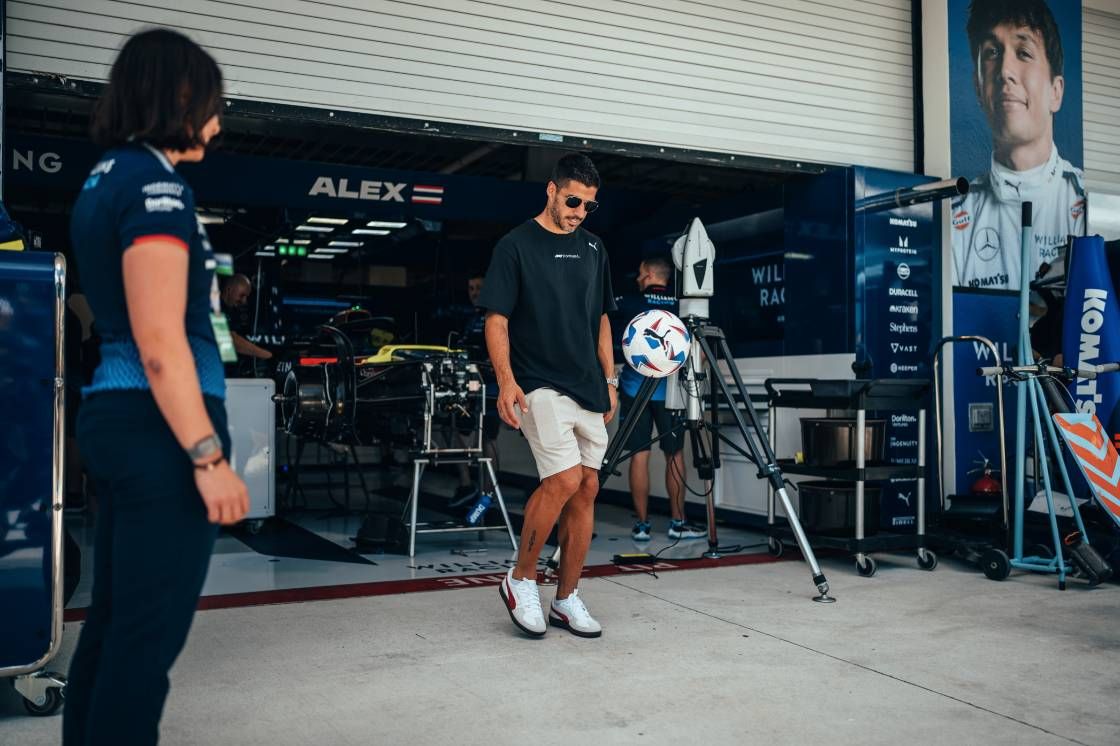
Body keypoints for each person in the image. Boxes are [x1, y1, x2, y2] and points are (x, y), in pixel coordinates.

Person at [63, 29, 249, 746]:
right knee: (144, 648)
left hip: (120, 421)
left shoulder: (106, 176)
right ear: (178, 97)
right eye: (211, 102)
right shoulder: (156, 185)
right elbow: (161, 340)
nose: (217, 120)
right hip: (161, 433)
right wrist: (208, 456)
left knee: (115, 628)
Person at [481, 153, 616, 638]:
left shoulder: (596, 249)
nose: (580, 210)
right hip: (538, 381)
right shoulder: (515, 245)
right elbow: (496, 318)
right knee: (562, 478)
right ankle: (521, 580)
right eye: (574, 200)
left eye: (589, 205)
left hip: (588, 386)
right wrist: (506, 380)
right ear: (552, 191)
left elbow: (602, 316)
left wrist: (610, 376)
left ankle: (567, 597)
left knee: (587, 489)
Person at [952, 0, 1085, 291]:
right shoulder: (954, 220)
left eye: (1023, 53)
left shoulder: (1087, 204)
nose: (1004, 71)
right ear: (978, 86)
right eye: (992, 53)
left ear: (1056, 92)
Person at [614, 256, 705, 542]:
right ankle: (678, 522)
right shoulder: (682, 307)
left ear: (651, 274)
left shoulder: (627, 303)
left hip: (633, 390)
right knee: (674, 455)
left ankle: (641, 525)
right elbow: (695, 351)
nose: (638, 278)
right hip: (671, 393)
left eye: (641, 273)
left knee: (639, 455)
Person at [451, 272, 501, 507]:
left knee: (488, 437)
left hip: (491, 388)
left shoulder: (497, 316)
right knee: (459, 431)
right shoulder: (471, 319)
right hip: (469, 387)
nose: (475, 293)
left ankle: (488, 494)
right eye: (471, 289)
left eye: (479, 288)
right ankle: (466, 485)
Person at [220, 273, 272, 363]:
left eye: (246, 297)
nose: (244, 301)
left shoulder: (233, 311)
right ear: (229, 290)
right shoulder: (212, 306)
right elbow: (232, 340)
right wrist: (266, 355)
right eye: (241, 295)